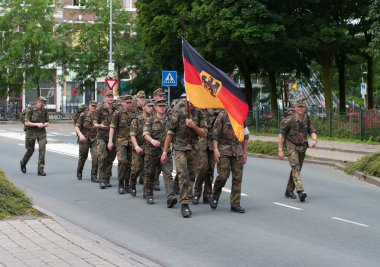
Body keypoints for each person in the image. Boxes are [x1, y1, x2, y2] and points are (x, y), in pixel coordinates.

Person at [161, 100, 207, 218]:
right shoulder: (178, 111)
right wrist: (165, 152)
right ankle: (184, 203)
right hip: (180, 148)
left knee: (191, 176)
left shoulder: (199, 113)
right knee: (183, 174)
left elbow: (204, 133)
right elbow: (170, 133)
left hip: (194, 149)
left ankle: (187, 197)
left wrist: (193, 126)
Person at [209, 110, 249, 213]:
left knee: (237, 178)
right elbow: (215, 135)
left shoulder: (241, 116)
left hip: (238, 151)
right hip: (224, 150)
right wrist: (216, 150)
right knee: (223, 176)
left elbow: (246, 135)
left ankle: (235, 203)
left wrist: (245, 152)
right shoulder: (222, 116)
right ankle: (215, 196)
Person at [278, 99, 317, 202]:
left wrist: (314, 139)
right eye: (299, 107)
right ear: (295, 108)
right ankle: (300, 191)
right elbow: (281, 134)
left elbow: (312, 130)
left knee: (297, 168)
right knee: (295, 166)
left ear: (305, 108)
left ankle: (289, 191)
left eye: (302, 107)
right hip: (291, 145)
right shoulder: (290, 119)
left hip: (302, 146)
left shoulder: (306, 118)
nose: (300, 109)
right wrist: (280, 149)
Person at [142, 99, 178, 208]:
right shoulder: (150, 120)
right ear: (156, 108)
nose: (162, 108)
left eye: (164, 106)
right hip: (152, 152)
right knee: (150, 174)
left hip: (165, 152)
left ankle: (170, 197)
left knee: (168, 174)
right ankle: (148, 194)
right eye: (160, 106)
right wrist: (152, 140)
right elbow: (145, 133)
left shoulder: (170, 120)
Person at [192, 108, 219, 205]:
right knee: (202, 167)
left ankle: (207, 194)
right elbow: (194, 126)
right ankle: (197, 192)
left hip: (213, 143)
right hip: (201, 142)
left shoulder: (218, 110)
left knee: (211, 168)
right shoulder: (199, 109)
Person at [108, 95, 135, 194]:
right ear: (123, 103)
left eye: (130, 103)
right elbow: (112, 127)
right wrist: (110, 141)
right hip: (121, 141)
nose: (129, 104)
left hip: (131, 142)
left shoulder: (135, 113)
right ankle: (120, 183)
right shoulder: (118, 113)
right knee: (122, 161)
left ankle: (127, 184)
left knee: (130, 163)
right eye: (127, 103)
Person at [129, 99, 154, 196]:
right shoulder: (136, 119)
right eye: (149, 106)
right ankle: (132, 184)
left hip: (150, 148)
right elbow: (132, 135)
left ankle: (146, 192)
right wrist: (136, 147)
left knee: (148, 170)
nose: (151, 108)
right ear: (143, 107)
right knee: (137, 169)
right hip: (139, 147)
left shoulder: (154, 119)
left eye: (152, 106)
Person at [20, 96, 49, 176]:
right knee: (30, 150)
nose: (42, 105)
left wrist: (45, 124)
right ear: (37, 102)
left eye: (44, 104)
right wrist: (37, 124)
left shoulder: (45, 111)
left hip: (41, 132)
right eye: (41, 104)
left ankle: (40, 169)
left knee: (42, 150)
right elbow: (26, 123)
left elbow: (47, 122)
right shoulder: (30, 110)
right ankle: (23, 162)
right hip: (31, 132)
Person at [93, 91, 117, 189]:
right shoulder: (99, 109)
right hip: (102, 137)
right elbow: (94, 123)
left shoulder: (116, 109)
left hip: (113, 137)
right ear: (105, 98)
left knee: (110, 158)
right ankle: (102, 180)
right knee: (102, 156)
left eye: (112, 96)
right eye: (108, 96)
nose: (110, 98)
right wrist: (100, 125)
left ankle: (107, 179)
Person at [75, 101, 98, 182]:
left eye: (95, 106)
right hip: (84, 139)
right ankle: (79, 171)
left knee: (95, 156)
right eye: (92, 106)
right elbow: (77, 126)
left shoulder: (98, 116)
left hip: (94, 139)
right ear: (89, 106)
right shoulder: (83, 115)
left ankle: (94, 175)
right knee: (83, 156)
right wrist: (80, 135)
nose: (93, 108)